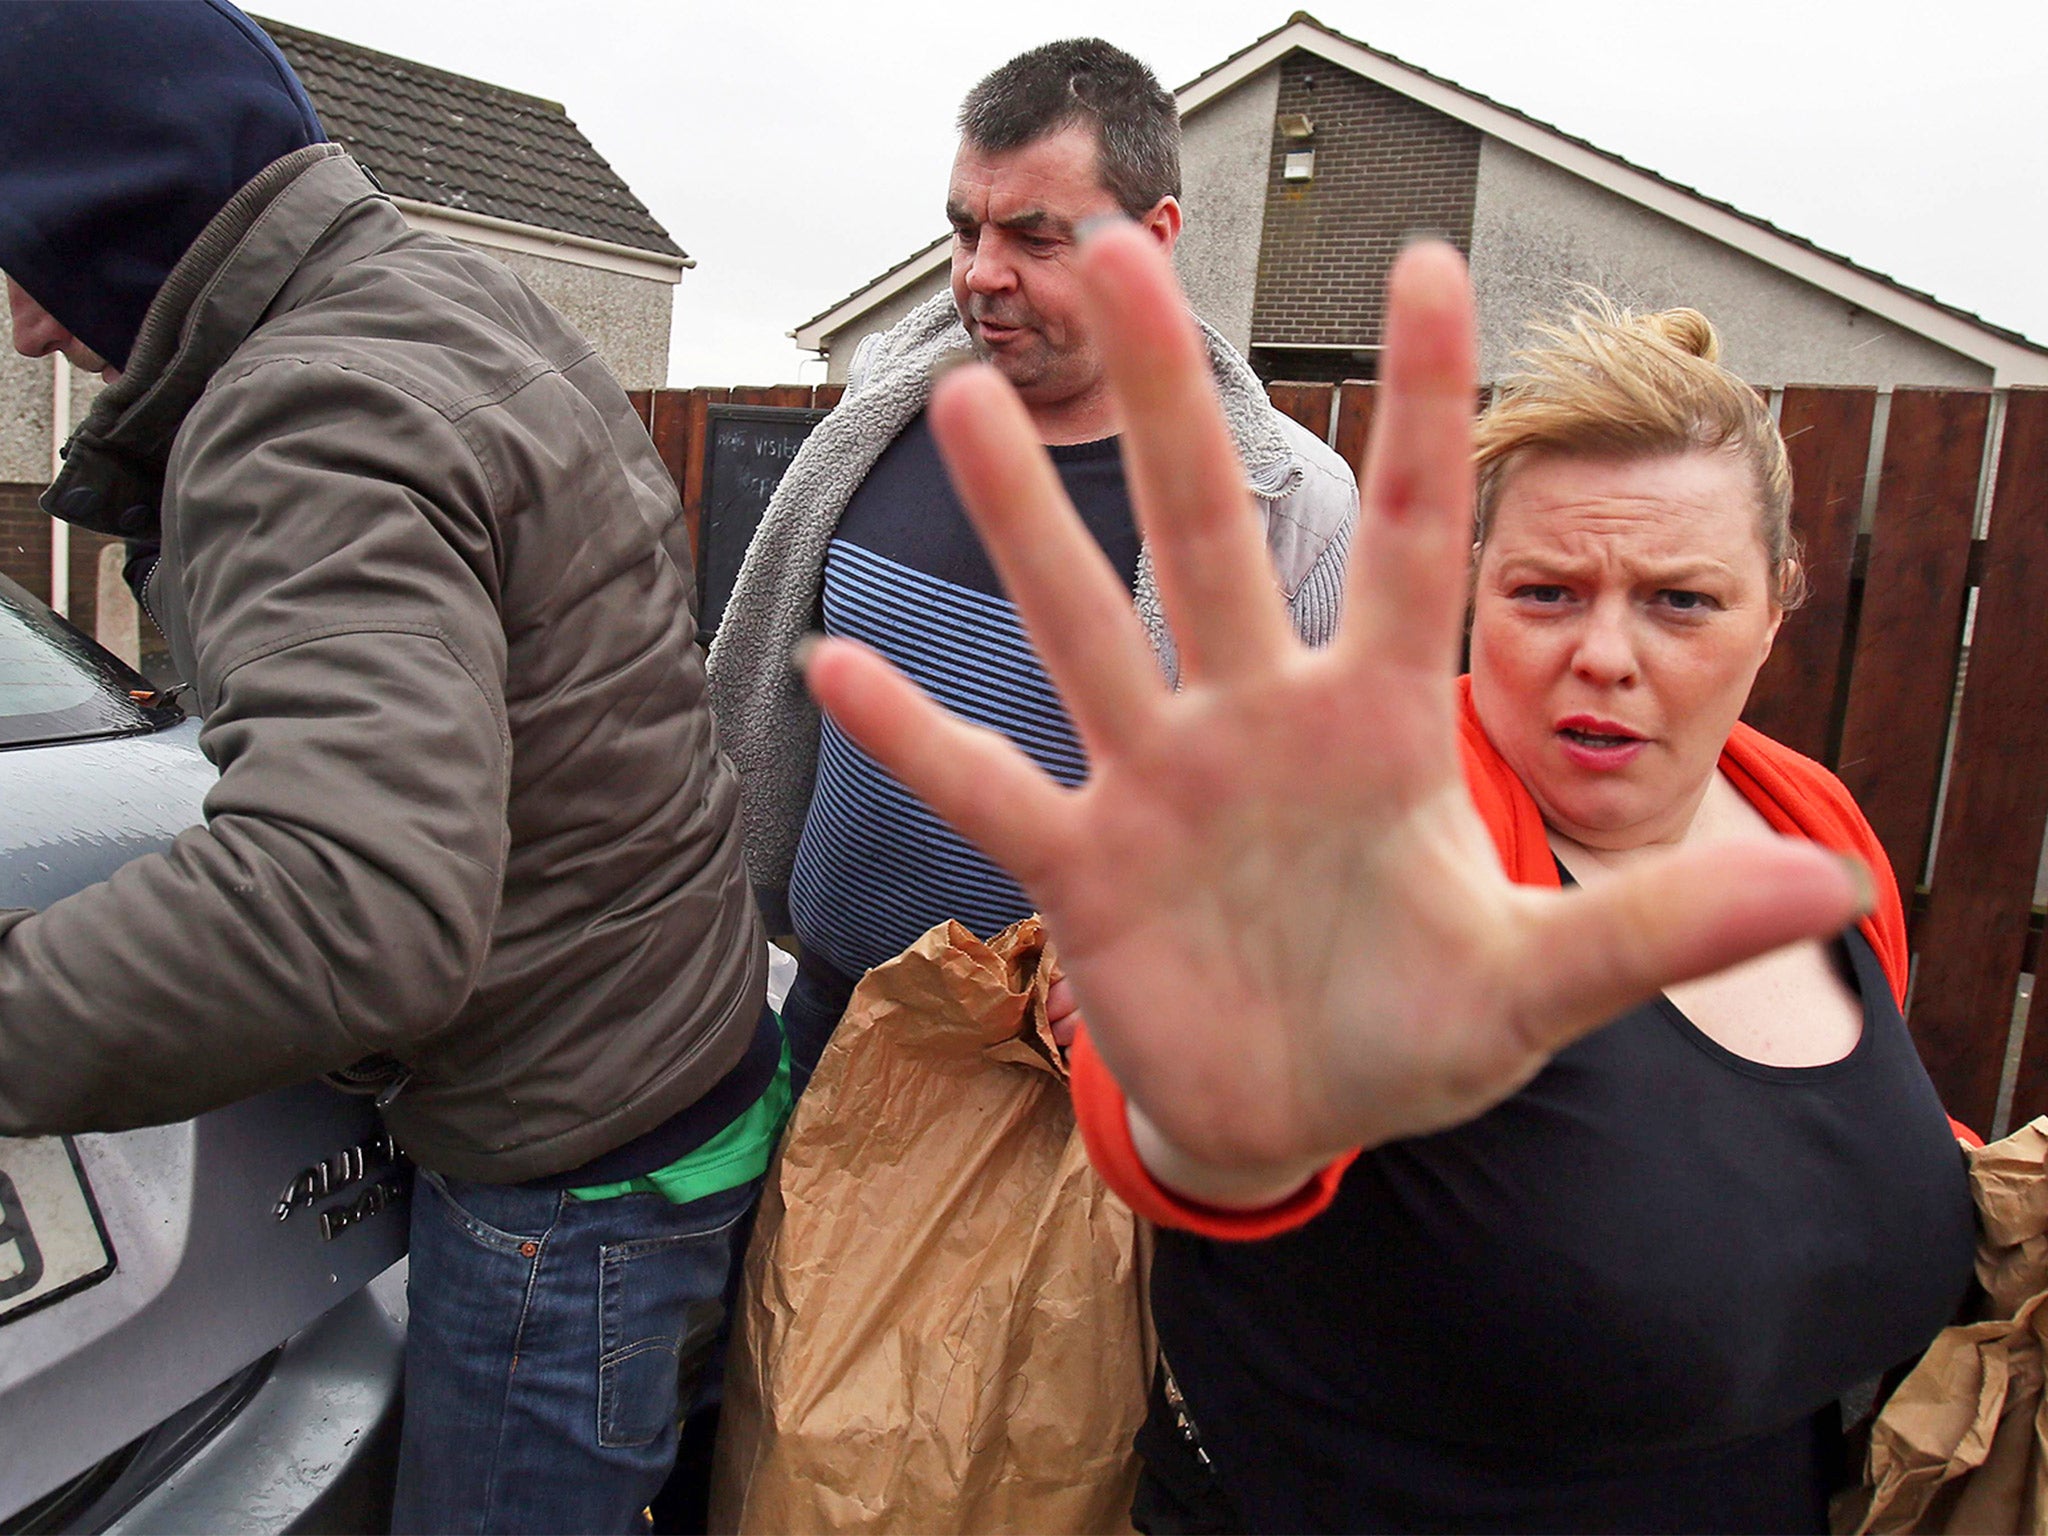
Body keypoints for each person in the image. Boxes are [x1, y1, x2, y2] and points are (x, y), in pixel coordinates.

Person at [800, 223, 1977, 1531]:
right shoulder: (1378, 841)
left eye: (1680, 601)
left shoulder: (1806, 822)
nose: (1604, 652)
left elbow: (1778, 1149)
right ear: (1478, 590)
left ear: (1779, 605)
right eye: (1546, 592)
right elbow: (1224, 1121)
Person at [0, 6, 779, 1531]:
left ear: (126, 200)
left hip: (571, 1183)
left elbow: (345, 903)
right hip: (687, 1078)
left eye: (28, 244)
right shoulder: (452, 305)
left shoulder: (305, 409)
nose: (27, 323)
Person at [708, 38, 1357, 1090]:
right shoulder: (884, 408)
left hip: (1050, 1080)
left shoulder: (1289, 508)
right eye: (963, 229)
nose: (979, 275)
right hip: (821, 1011)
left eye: (1034, 238)